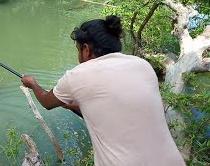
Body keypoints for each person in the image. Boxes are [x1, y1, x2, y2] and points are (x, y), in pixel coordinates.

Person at [21, 15, 185, 165]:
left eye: (78, 50)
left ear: (86, 49)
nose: (79, 57)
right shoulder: (142, 65)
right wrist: (74, 106)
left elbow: (46, 102)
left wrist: (33, 84)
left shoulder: (78, 75)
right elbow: (122, 107)